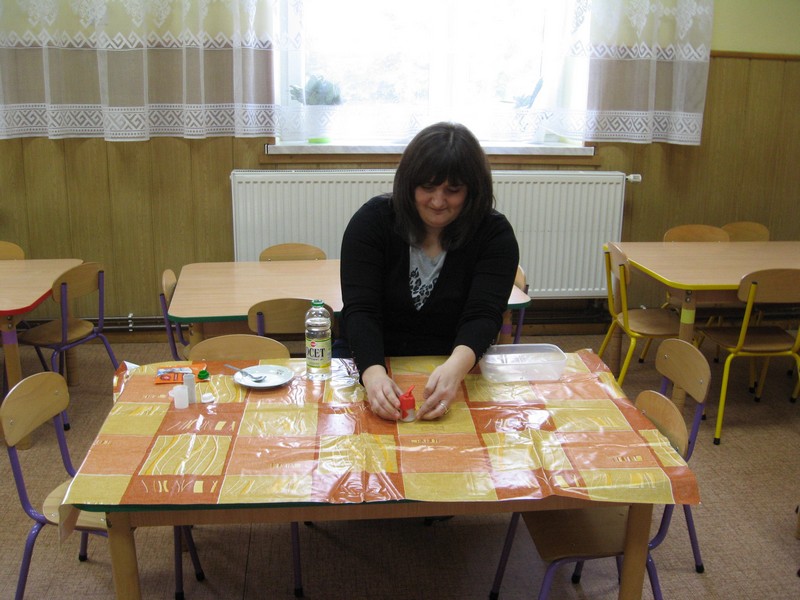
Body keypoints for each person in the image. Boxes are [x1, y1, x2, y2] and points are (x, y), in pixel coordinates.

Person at [338, 122, 520, 421]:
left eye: (453, 191)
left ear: (472, 190)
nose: (437, 201)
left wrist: (455, 368)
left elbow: (484, 314)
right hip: (370, 356)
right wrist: (372, 373)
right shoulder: (372, 222)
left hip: (453, 360)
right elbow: (361, 310)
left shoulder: (494, 235)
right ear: (408, 184)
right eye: (427, 188)